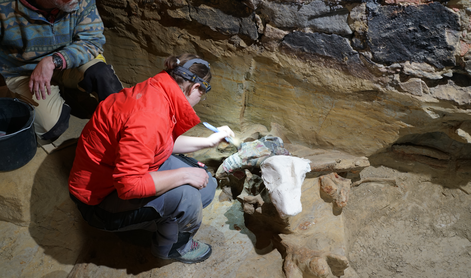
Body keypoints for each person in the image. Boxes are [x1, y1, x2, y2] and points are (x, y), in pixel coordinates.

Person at [68, 53, 235, 264]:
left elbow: (159, 142)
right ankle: (173, 247)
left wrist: (209, 142)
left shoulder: (157, 89)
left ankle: (164, 218)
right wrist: (184, 174)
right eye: (203, 94)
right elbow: (128, 185)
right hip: (99, 201)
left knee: (206, 185)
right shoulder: (150, 115)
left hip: (116, 174)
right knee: (188, 196)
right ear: (195, 88)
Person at [0, 0, 123, 142]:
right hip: (24, 71)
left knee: (102, 76)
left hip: (68, 60)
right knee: (50, 129)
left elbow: (92, 41)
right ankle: (18, 96)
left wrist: (54, 60)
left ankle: (124, 123)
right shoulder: (4, 6)